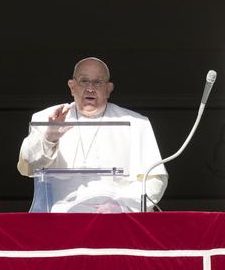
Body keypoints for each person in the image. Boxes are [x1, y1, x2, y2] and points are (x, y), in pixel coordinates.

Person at [17, 57, 168, 212]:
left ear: (109, 89)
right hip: (60, 216)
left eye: (98, 82)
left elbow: (154, 179)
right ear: (72, 86)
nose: (90, 88)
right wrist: (49, 139)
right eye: (83, 81)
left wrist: (123, 206)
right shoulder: (47, 118)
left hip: (115, 218)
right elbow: (30, 163)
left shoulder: (137, 123)